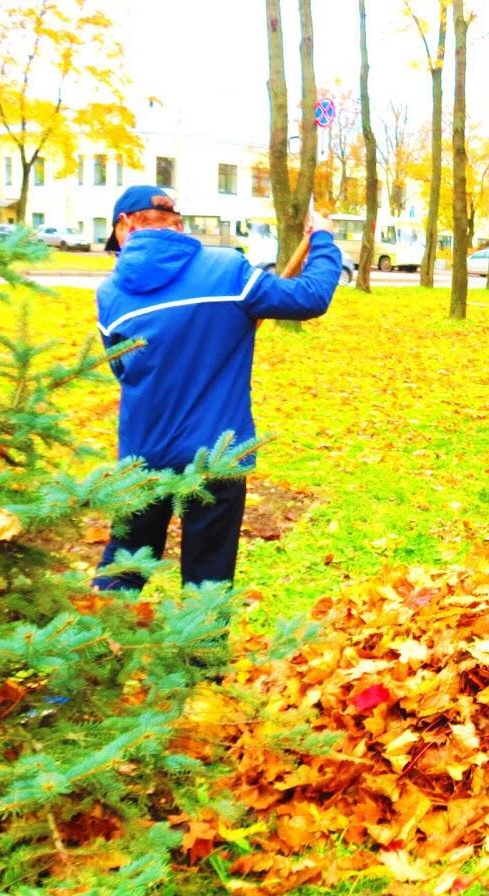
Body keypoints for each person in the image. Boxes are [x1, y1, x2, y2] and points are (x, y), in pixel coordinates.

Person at [92, 185, 341, 592]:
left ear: (125, 224)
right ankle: (201, 655)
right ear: (177, 223)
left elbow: (122, 369)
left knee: (125, 565)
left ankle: (98, 647)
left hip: (142, 455)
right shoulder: (228, 271)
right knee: (208, 578)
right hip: (216, 454)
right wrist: (324, 240)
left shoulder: (111, 295)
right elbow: (310, 297)